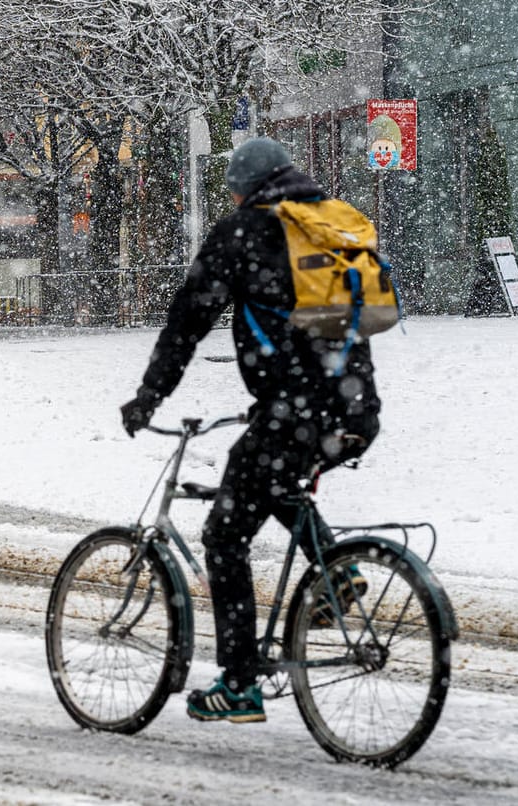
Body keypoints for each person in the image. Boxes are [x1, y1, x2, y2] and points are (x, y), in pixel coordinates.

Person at [119, 137, 381, 724]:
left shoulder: (243, 233)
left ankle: (239, 684)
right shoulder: (321, 225)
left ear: (244, 188)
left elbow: (187, 321)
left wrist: (149, 396)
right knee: (277, 481)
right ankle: (338, 575)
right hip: (356, 411)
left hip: (295, 411)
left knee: (224, 536)